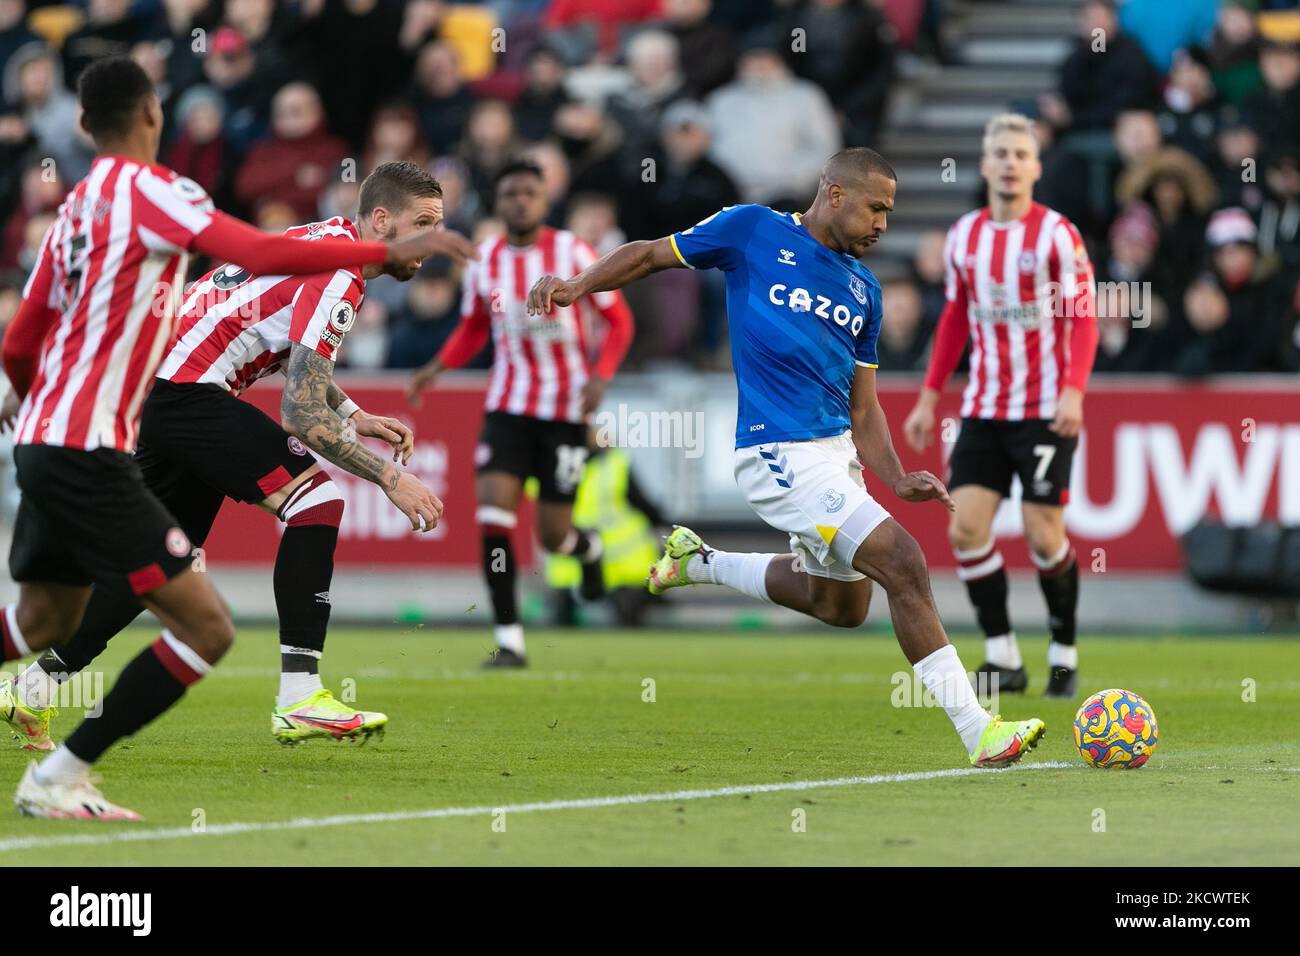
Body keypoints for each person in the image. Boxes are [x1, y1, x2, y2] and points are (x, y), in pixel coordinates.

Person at [0, 56, 468, 820]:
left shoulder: (315, 240)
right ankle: (300, 695)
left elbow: (277, 344)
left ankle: (34, 685)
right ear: (378, 224)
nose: (430, 244)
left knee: (154, 567)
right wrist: (388, 475)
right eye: (423, 230)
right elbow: (297, 414)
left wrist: (351, 415)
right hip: (186, 394)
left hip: (159, 391)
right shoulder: (340, 272)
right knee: (315, 501)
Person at [528, 147, 1047, 768]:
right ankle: (978, 730)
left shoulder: (865, 290)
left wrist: (896, 475)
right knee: (904, 561)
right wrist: (577, 286)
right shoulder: (751, 230)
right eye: (876, 208)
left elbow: (865, 410)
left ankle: (700, 562)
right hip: (777, 449)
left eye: (891, 211)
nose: (884, 223)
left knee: (841, 606)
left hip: (834, 455)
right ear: (834, 194)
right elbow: (647, 254)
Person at [902, 114, 1100, 699]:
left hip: (1045, 409)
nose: (1010, 162)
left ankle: (1063, 653)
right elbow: (955, 319)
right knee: (965, 530)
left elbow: (1082, 317)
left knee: (1044, 537)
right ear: (985, 165)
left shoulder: (1058, 235)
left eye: (1021, 153)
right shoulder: (964, 236)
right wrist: (929, 395)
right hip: (985, 410)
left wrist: (1074, 390)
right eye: (1001, 153)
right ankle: (1003, 656)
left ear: (1036, 167)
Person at [407, 159, 634, 667]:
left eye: (529, 192)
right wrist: (434, 368)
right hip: (507, 407)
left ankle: (588, 551)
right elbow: (471, 329)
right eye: (510, 193)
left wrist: (600, 377)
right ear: (499, 201)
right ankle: (509, 639)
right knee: (493, 516)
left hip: (565, 410)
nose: (520, 201)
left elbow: (619, 322)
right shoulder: (484, 260)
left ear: (544, 200)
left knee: (554, 535)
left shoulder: (574, 252)